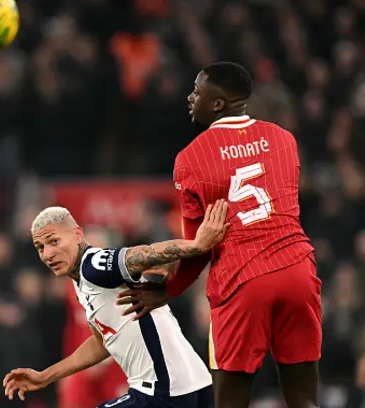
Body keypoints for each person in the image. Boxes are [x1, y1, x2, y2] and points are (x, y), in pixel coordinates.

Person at [116, 62, 322, 408]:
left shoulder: (191, 159)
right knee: (305, 401)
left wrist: (168, 291)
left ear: (218, 103)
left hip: (242, 280)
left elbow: (199, 248)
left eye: (197, 91)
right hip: (298, 271)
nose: (190, 96)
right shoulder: (284, 140)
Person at [3, 200, 230, 407]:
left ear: (77, 235)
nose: (48, 254)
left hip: (162, 391)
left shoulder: (93, 265)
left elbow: (141, 254)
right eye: (40, 247)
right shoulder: (82, 283)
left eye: (54, 241)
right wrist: (45, 377)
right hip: (194, 385)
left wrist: (197, 245)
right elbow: (101, 343)